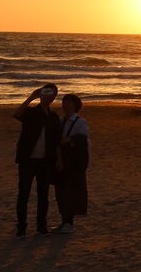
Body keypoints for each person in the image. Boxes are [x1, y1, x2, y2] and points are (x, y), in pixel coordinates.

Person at [13, 84, 61, 237]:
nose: (48, 95)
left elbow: (57, 141)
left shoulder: (53, 117)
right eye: (45, 92)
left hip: (45, 161)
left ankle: (41, 226)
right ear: (41, 94)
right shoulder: (31, 112)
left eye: (51, 93)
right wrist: (31, 97)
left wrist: (58, 160)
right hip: (27, 160)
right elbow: (17, 114)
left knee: (43, 195)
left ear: (54, 97)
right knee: (23, 194)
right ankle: (21, 228)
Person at [54, 94, 89, 234]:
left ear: (76, 105)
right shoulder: (61, 121)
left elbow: (83, 139)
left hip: (74, 162)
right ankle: (64, 221)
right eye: (64, 102)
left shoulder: (80, 122)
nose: (66, 105)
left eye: (69, 103)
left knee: (71, 192)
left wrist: (69, 140)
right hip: (61, 160)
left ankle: (69, 223)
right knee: (60, 192)